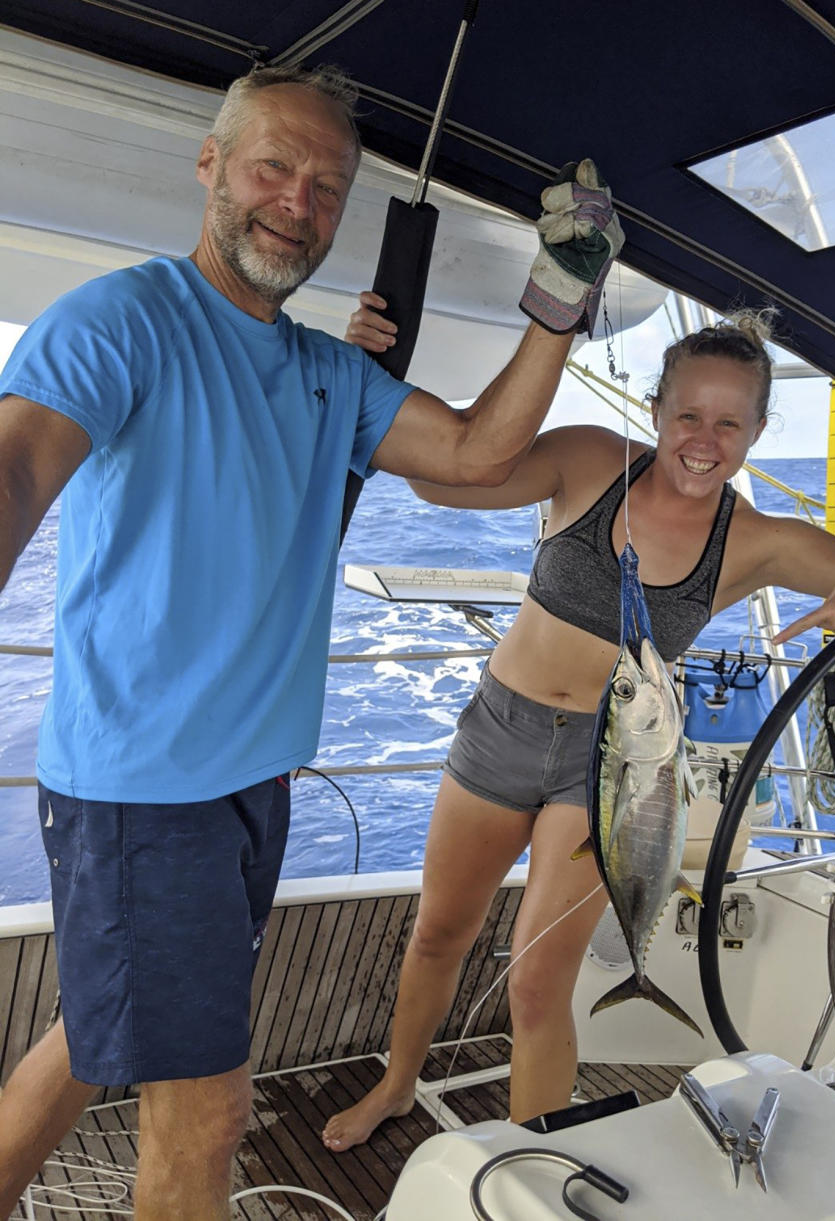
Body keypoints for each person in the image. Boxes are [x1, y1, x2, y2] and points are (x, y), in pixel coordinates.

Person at [0, 63, 624, 1219]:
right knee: (207, 1115)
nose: (298, 200)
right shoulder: (124, 318)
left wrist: (557, 300)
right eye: (273, 166)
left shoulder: (333, 375)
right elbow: (20, 465)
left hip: (248, 789)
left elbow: (484, 453)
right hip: (149, 793)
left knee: (96, 1034)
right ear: (212, 166)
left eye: (327, 186)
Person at [321, 303, 835, 1151]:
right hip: (499, 730)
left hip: (615, 760)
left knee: (540, 980)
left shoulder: (756, 540)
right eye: (688, 413)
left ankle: (537, 1160)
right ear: (655, 409)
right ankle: (396, 1084)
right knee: (438, 931)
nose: (704, 437)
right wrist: (377, 386)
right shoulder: (587, 459)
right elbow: (441, 478)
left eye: (730, 421)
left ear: (760, 429)